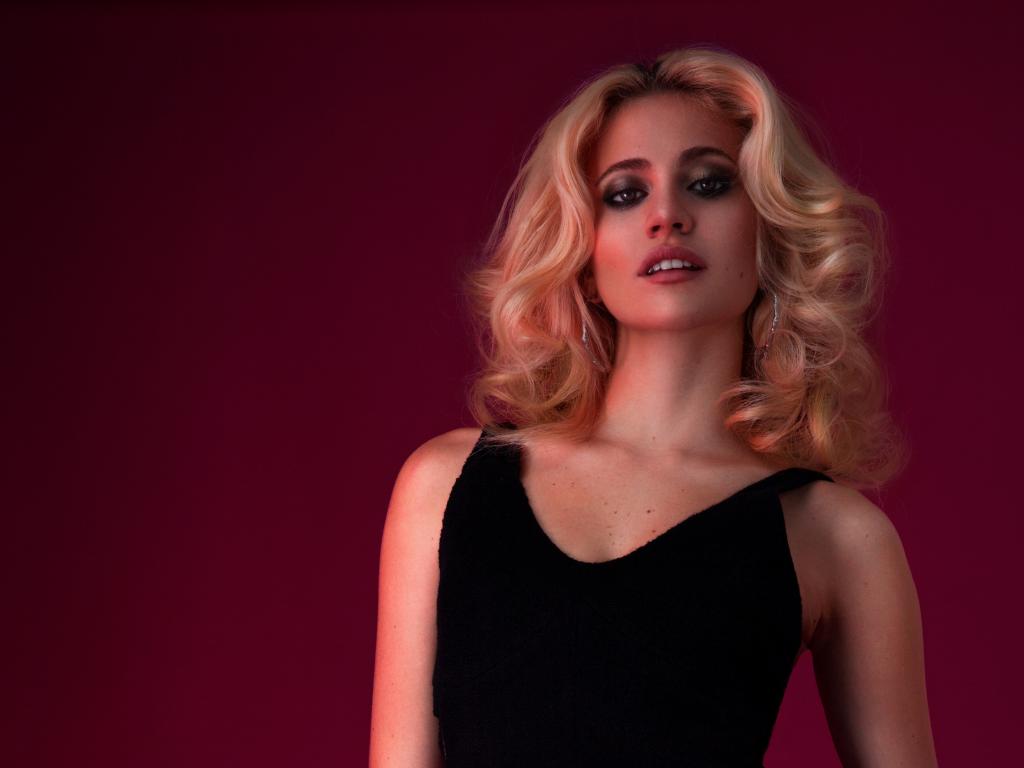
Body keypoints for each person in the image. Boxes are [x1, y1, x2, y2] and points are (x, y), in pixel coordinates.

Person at [369, 46, 938, 767]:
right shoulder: (445, 485)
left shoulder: (835, 536)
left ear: (768, 227)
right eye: (625, 194)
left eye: (709, 183)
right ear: (583, 248)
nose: (668, 215)